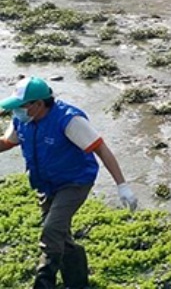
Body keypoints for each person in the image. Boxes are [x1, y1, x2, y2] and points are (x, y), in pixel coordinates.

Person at [0, 77, 138, 289]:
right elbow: (7, 142)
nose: (16, 111)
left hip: (74, 182)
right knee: (61, 236)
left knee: (52, 230)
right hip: (45, 183)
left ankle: (43, 283)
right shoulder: (23, 120)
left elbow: (101, 148)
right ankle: (77, 282)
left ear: (38, 104)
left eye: (21, 106)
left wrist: (122, 185)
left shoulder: (69, 120)